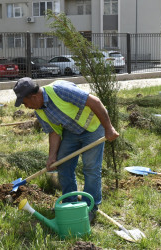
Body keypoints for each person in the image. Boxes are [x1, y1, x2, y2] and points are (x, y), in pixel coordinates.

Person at [13, 77, 119, 223]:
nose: (26, 107)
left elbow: (95, 102)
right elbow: (54, 131)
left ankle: (90, 208)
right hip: (71, 131)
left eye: (25, 102)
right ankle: (70, 202)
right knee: (64, 166)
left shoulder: (59, 91)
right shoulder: (39, 111)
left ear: (33, 96)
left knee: (91, 168)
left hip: (93, 128)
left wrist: (109, 128)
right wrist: (52, 156)